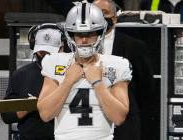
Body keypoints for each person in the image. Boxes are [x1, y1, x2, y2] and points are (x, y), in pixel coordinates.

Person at [37, 1, 132, 140]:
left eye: (90, 33)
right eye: (79, 34)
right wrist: (68, 81)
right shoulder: (55, 62)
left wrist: (98, 83)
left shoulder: (117, 65)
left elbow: (119, 118)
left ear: (101, 33)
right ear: (70, 34)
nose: (84, 40)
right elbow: (45, 114)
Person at [93, 0, 153, 140]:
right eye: (96, 14)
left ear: (114, 18)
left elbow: (146, 86)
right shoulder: (78, 45)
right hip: (90, 119)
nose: (100, 18)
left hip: (125, 124)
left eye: (105, 13)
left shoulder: (135, 46)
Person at [1, 23, 65, 140]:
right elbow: (6, 115)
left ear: (62, 48)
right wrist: (28, 105)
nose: (46, 57)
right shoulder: (21, 74)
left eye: (51, 52)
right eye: (42, 52)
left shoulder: (72, 72)